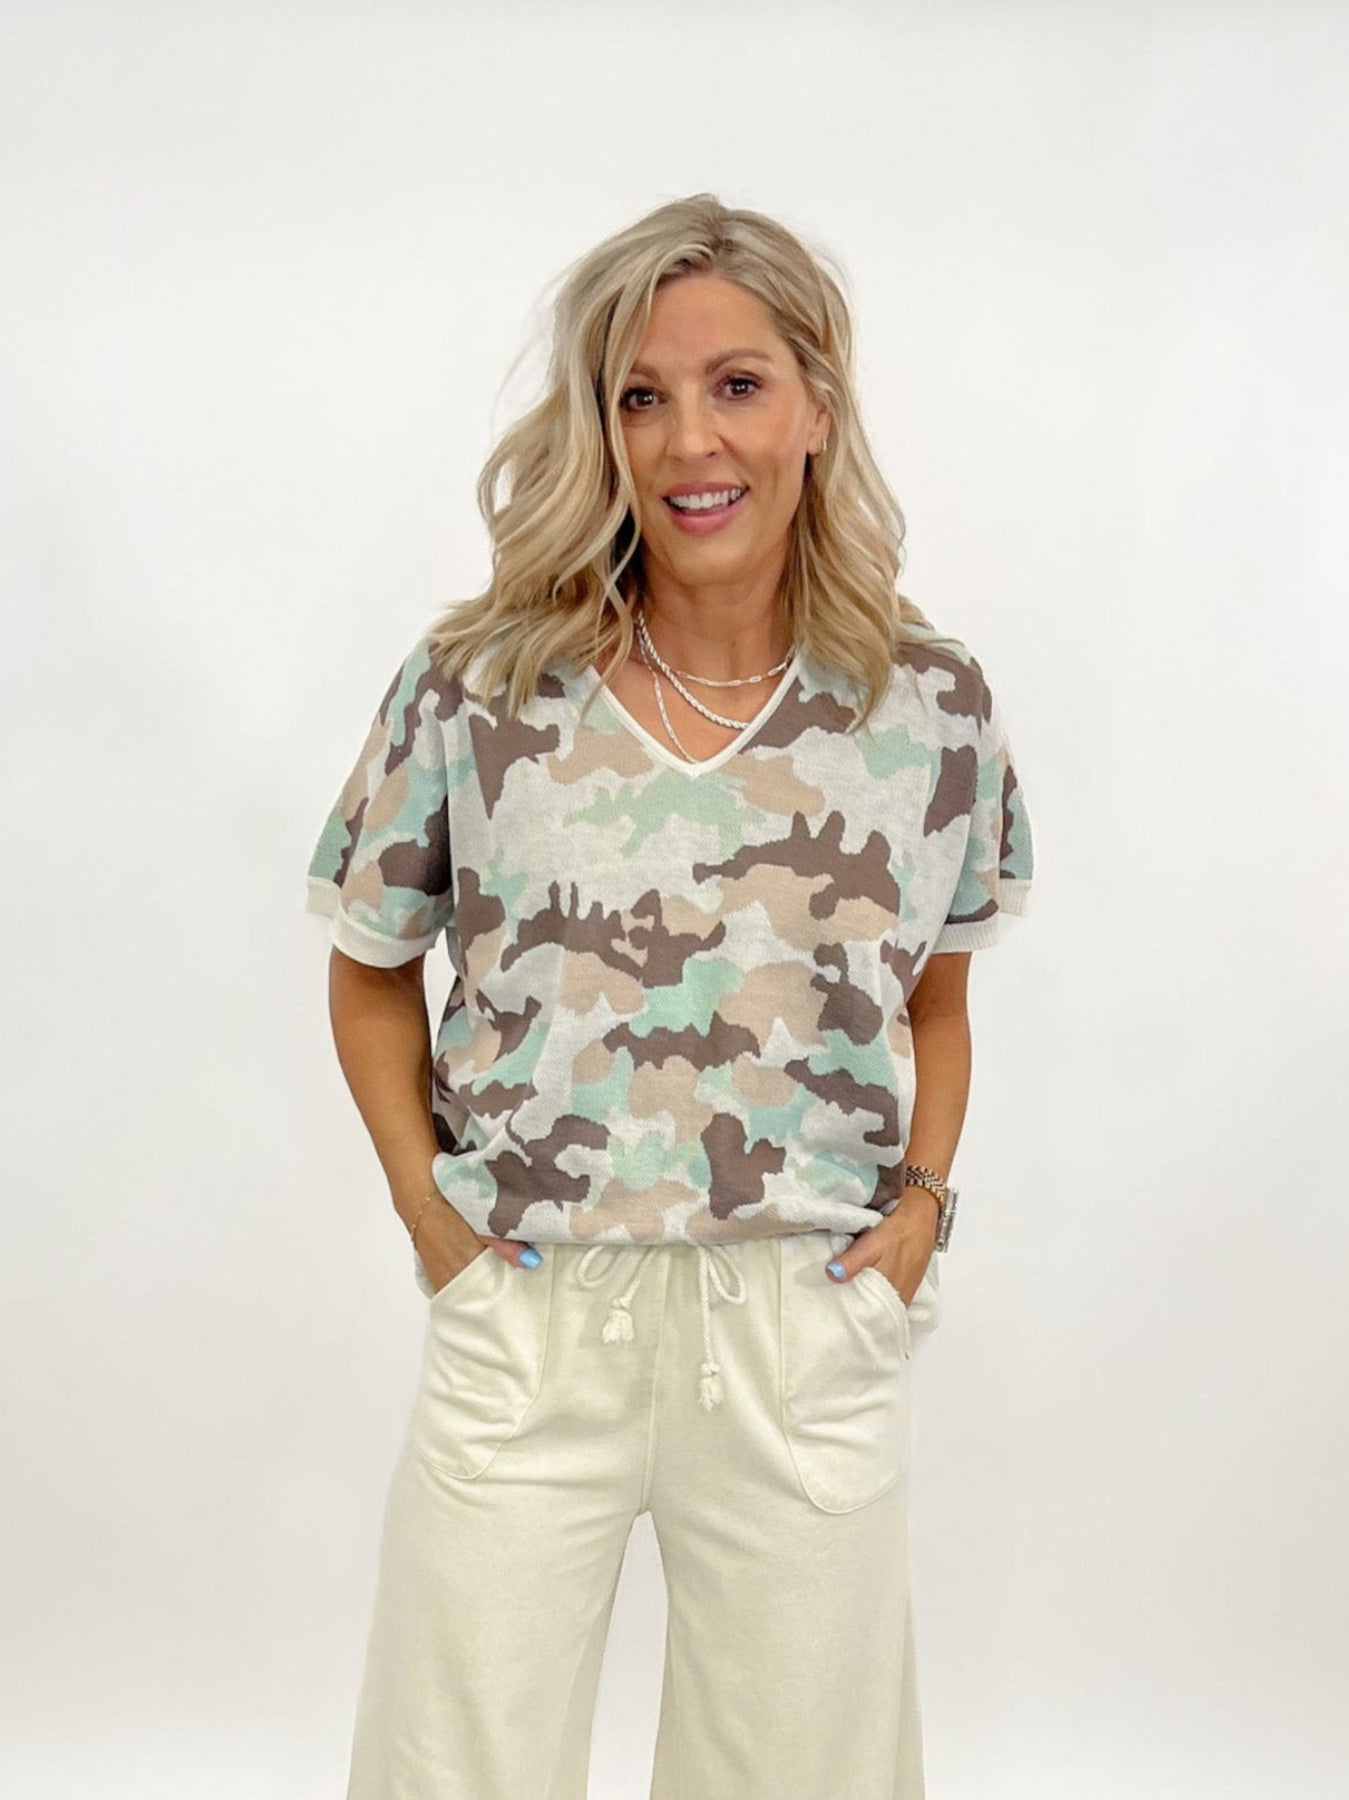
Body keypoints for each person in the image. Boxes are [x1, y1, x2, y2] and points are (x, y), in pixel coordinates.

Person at [304, 191, 1035, 1800]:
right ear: (599, 428)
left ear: (816, 407)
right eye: (639, 395)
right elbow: (368, 970)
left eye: (737, 384)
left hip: (800, 1315)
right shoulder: (480, 687)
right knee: (452, 1768)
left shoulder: (926, 707)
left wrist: (922, 1206)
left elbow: (935, 997)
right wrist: (431, 1219)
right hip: (531, 1306)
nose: (689, 441)